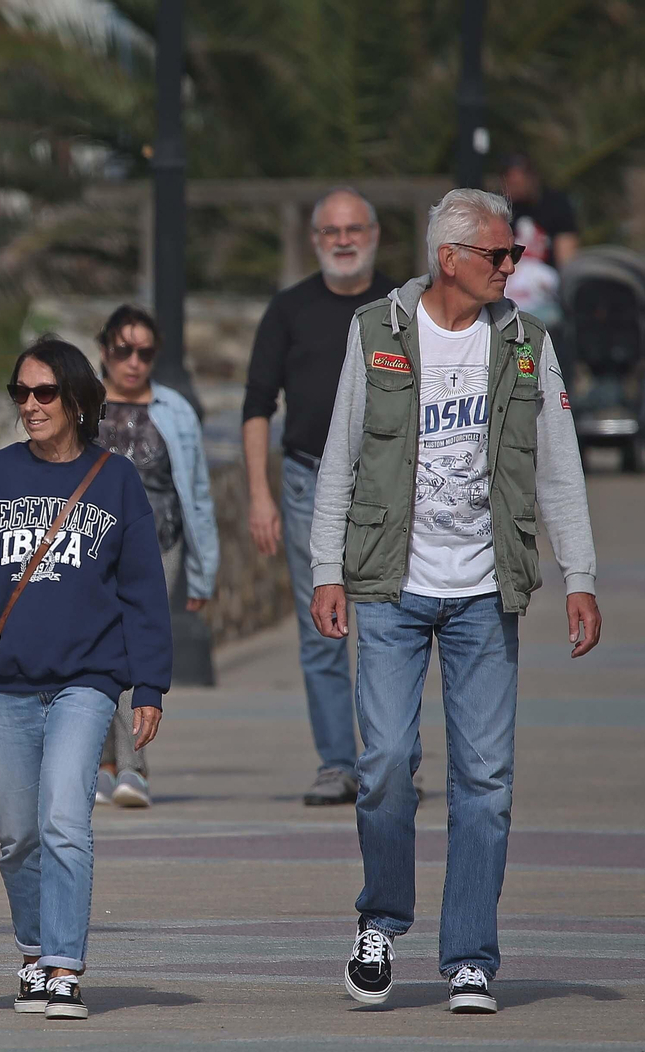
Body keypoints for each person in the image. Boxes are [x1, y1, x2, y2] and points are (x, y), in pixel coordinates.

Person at [309, 189, 601, 1015]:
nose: (512, 268)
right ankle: (381, 920)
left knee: (485, 780)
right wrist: (325, 568)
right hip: (389, 588)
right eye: (498, 256)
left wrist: (579, 576)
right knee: (386, 766)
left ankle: (469, 956)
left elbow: (558, 468)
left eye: (512, 257)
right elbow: (340, 456)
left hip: (483, 592)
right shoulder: (377, 332)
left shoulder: (523, 343)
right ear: (450, 258)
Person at [0, 336, 172, 1021]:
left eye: (42, 393)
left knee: (66, 818)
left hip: (86, 681)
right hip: (4, 683)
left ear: (76, 401)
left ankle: (64, 964)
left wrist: (149, 686)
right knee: (17, 836)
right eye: (20, 393)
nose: (29, 406)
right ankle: (34, 951)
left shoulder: (116, 481)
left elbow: (143, 592)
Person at [242, 186, 395, 806]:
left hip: (390, 485)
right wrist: (260, 496)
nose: (343, 240)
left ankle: (389, 757)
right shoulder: (288, 310)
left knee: (393, 625)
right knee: (324, 631)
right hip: (306, 482)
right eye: (331, 231)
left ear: (375, 234)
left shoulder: (402, 307)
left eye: (354, 228)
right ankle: (337, 762)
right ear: (314, 241)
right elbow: (256, 407)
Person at [93, 305, 219, 810]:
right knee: (92, 653)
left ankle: (131, 767)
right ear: (104, 351)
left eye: (145, 352)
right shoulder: (83, 405)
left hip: (157, 546)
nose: (133, 361)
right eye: (123, 349)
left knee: (127, 651)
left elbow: (198, 493)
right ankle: (103, 766)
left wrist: (203, 573)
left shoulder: (176, 411)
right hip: (90, 548)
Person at [500, 154, 580, 268]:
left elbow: (566, 255)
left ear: (531, 178)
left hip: (545, 274)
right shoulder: (503, 211)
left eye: (515, 184)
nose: (509, 189)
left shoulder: (556, 205)